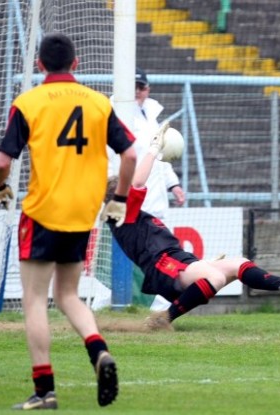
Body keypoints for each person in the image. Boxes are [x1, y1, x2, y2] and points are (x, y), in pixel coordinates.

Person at [0, 33, 136, 409]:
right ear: (76, 63)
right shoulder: (98, 103)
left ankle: (44, 390)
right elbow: (131, 155)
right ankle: (99, 352)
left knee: (36, 300)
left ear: (39, 65)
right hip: (81, 213)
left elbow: (3, 162)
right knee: (68, 294)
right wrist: (118, 198)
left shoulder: (29, 101)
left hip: (41, 212)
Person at [105, 123, 280, 331]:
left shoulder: (131, 215)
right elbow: (138, 183)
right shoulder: (120, 215)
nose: (129, 186)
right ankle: (164, 319)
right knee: (214, 277)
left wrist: (201, 264)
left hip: (175, 260)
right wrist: (153, 148)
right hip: (163, 267)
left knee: (238, 264)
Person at [108, 67, 186, 310]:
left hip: (153, 197)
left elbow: (158, 155)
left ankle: (157, 305)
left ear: (147, 89)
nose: (137, 92)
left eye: (141, 87)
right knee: (138, 257)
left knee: (159, 255)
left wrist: (173, 184)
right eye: (133, 87)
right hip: (129, 196)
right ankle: (119, 303)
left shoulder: (151, 116)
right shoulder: (116, 114)